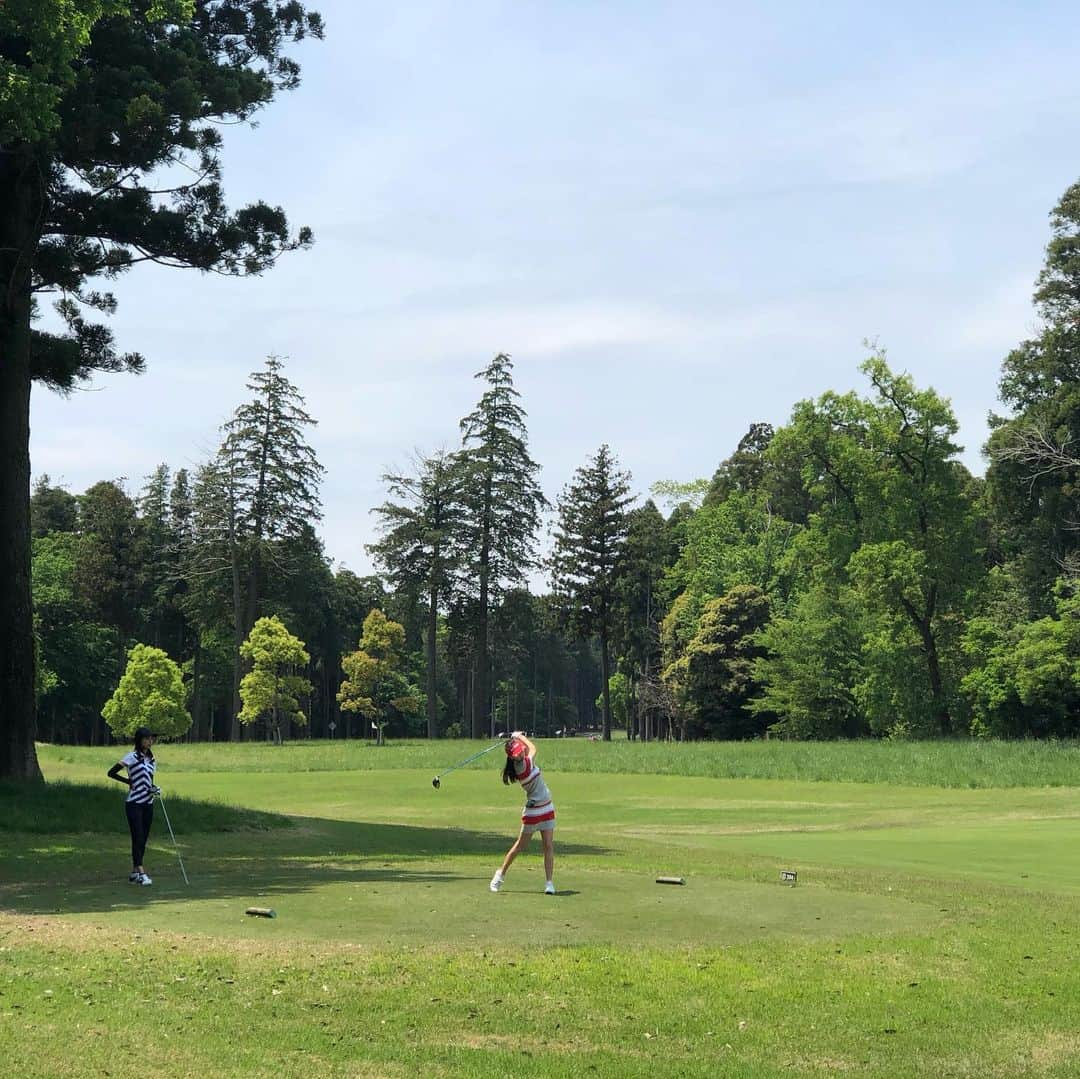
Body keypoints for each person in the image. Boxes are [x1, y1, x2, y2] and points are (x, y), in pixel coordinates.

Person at [490, 731, 556, 895]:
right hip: (534, 812)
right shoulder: (524, 765)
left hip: (547, 807)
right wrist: (518, 736)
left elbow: (527, 748)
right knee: (520, 845)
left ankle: (549, 883)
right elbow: (533, 747)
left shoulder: (522, 760)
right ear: (513, 758)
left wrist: (515, 740)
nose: (519, 753)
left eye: (519, 750)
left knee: (548, 846)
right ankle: (499, 875)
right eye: (516, 753)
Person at [107, 726, 158, 886]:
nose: (150, 741)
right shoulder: (131, 757)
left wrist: (153, 788)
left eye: (151, 739)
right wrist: (128, 782)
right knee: (138, 836)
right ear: (139, 740)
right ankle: (141, 872)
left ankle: (135, 872)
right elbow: (111, 772)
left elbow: (149, 779)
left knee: (143, 838)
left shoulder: (152, 760)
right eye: (147, 738)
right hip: (134, 803)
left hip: (148, 803)